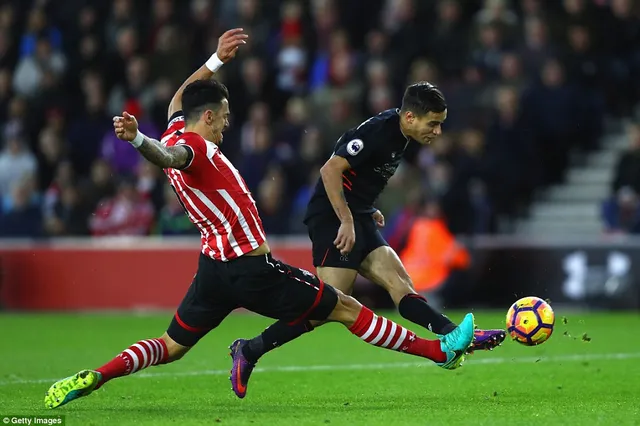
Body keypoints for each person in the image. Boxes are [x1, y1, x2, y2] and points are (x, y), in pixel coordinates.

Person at [44, 29, 476, 409]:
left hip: (212, 270)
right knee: (346, 307)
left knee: (171, 346)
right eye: (225, 118)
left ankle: (98, 374)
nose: (227, 126)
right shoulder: (193, 148)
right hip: (252, 268)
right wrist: (140, 139)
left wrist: (215, 61)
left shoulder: (179, 126)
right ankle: (438, 351)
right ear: (209, 117)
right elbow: (166, 155)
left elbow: (181, 98)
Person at [231, 81, 506, 396]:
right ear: (411, 118)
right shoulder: (378, 131)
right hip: (332, 219)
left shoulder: (401, 134)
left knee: (400, 285)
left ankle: (456, 337)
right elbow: (330, 170)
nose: (438, 132)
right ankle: (249, 350)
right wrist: (346, 219)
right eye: (434, 124)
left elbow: (359, 175)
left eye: (441, 124)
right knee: (327, 306)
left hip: (356, 214)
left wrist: (364, 207)